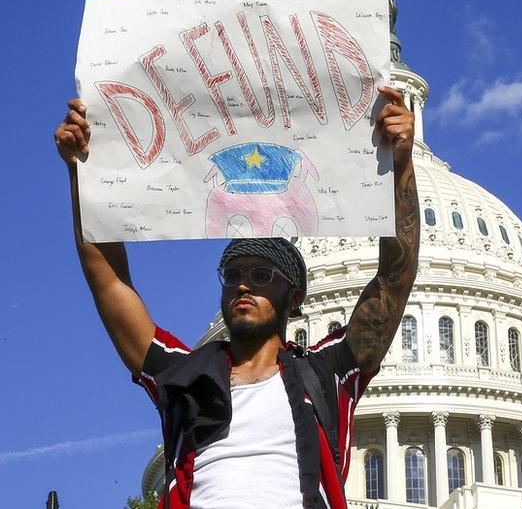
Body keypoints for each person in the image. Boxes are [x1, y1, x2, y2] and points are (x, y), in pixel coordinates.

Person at [53, 86, 420, 509]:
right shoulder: (185, 376)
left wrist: (400, 166)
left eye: (262, 275)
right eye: (232, 275)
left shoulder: (326, 374)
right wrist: (83, 173)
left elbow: (395, 277)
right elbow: (109, 283)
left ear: (294, 295)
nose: (243, 285)